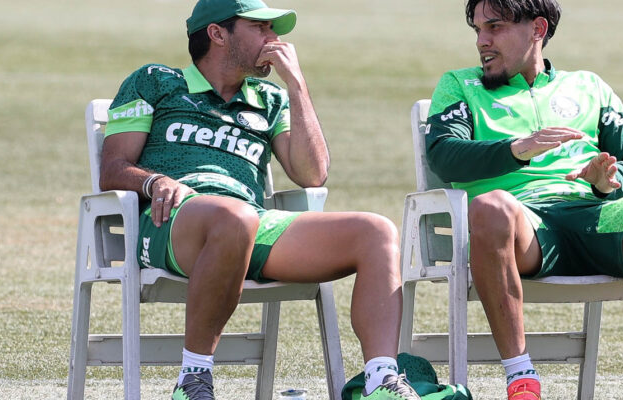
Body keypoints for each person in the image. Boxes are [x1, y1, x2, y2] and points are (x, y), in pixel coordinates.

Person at [100, 0, 421, 399]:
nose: (275, 39)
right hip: (175, 221)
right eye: (261, 28)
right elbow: (112, 168)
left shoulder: (270, 99)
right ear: (218, 34)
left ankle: (381, 381)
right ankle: (193, 380)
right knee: (233, 217)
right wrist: (154, 182)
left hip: (249, 222)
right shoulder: (155, 81)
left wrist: (296, 85)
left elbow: (312, 174)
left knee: (376, 231)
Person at [423, 0, 623, 399]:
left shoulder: (588, 86)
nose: (482, 41)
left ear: (538, 29)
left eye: (494, 27)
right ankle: (521, 381)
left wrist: (607, 181)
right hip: (526, 228)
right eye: (478, 30)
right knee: (491, 207)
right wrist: (516, 149)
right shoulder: (460, 85)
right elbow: (444, 154)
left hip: (599, 216)